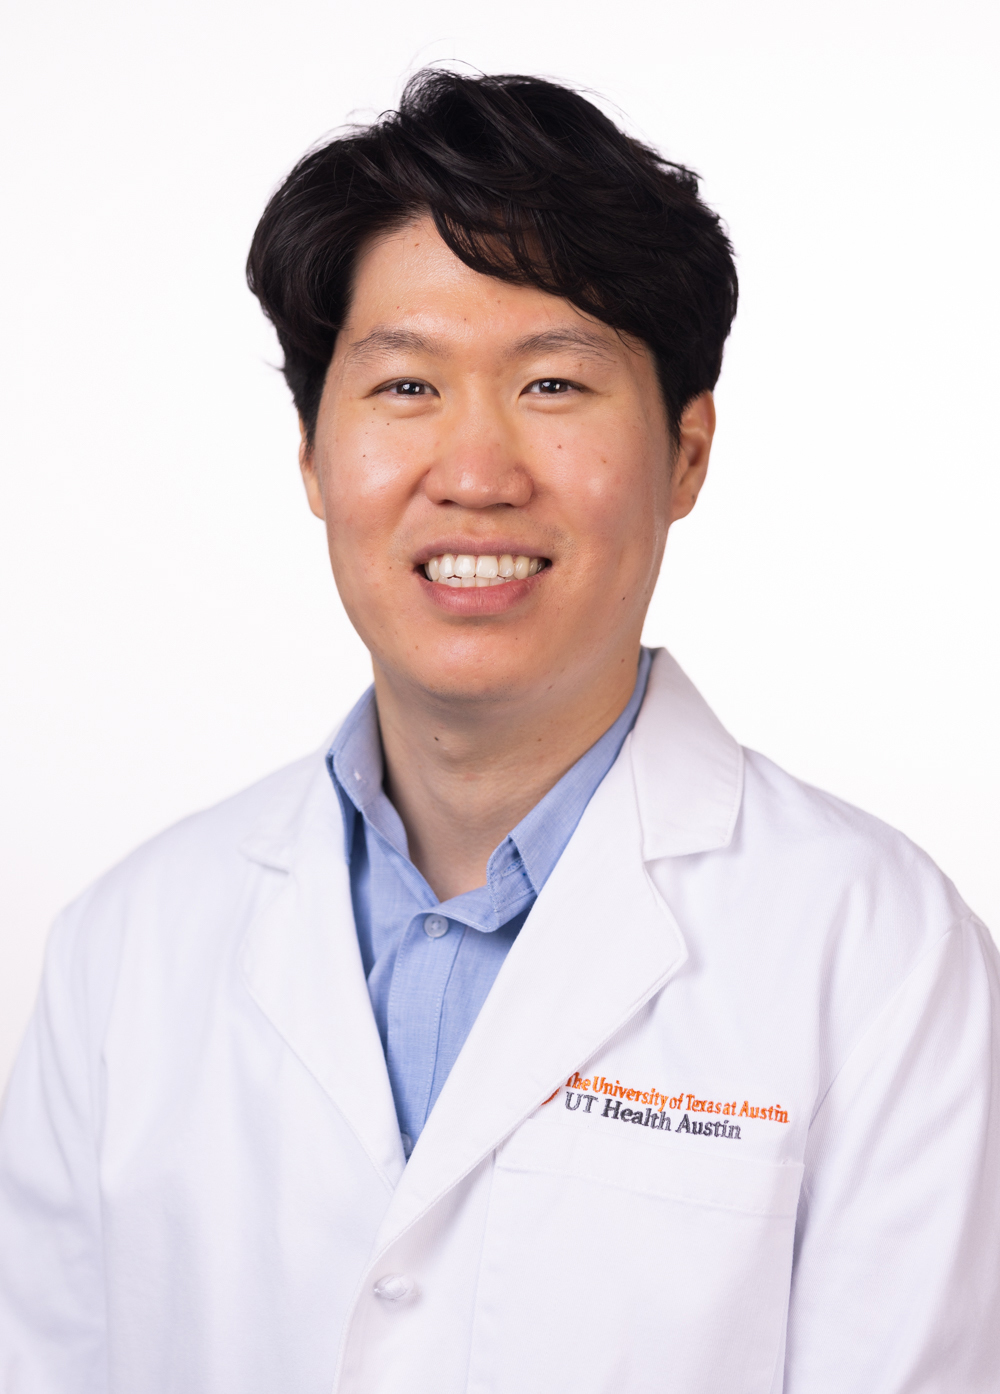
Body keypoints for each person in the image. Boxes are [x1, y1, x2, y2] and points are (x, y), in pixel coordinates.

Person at [0, 68, 997, 1394]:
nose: (474, 472)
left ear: (687, 452)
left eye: (554, 384)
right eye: (406, 387)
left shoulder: (879, 959)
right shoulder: (127, 948)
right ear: (312, 452)